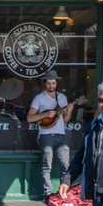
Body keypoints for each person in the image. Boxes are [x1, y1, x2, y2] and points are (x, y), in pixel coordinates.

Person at [27, 70, 75, 198]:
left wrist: (69, 111)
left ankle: (64, 193)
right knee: (46, 166)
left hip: (61, 135)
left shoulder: (62, 98)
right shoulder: (39, 98)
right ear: (44, 84)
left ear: (56, 83)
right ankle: (48, 194)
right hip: (46, 135)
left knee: (65, 165)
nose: (51, 86)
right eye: (48, 83)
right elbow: (29, 118)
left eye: (53, 83)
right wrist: (45, 114)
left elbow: (64, 120)